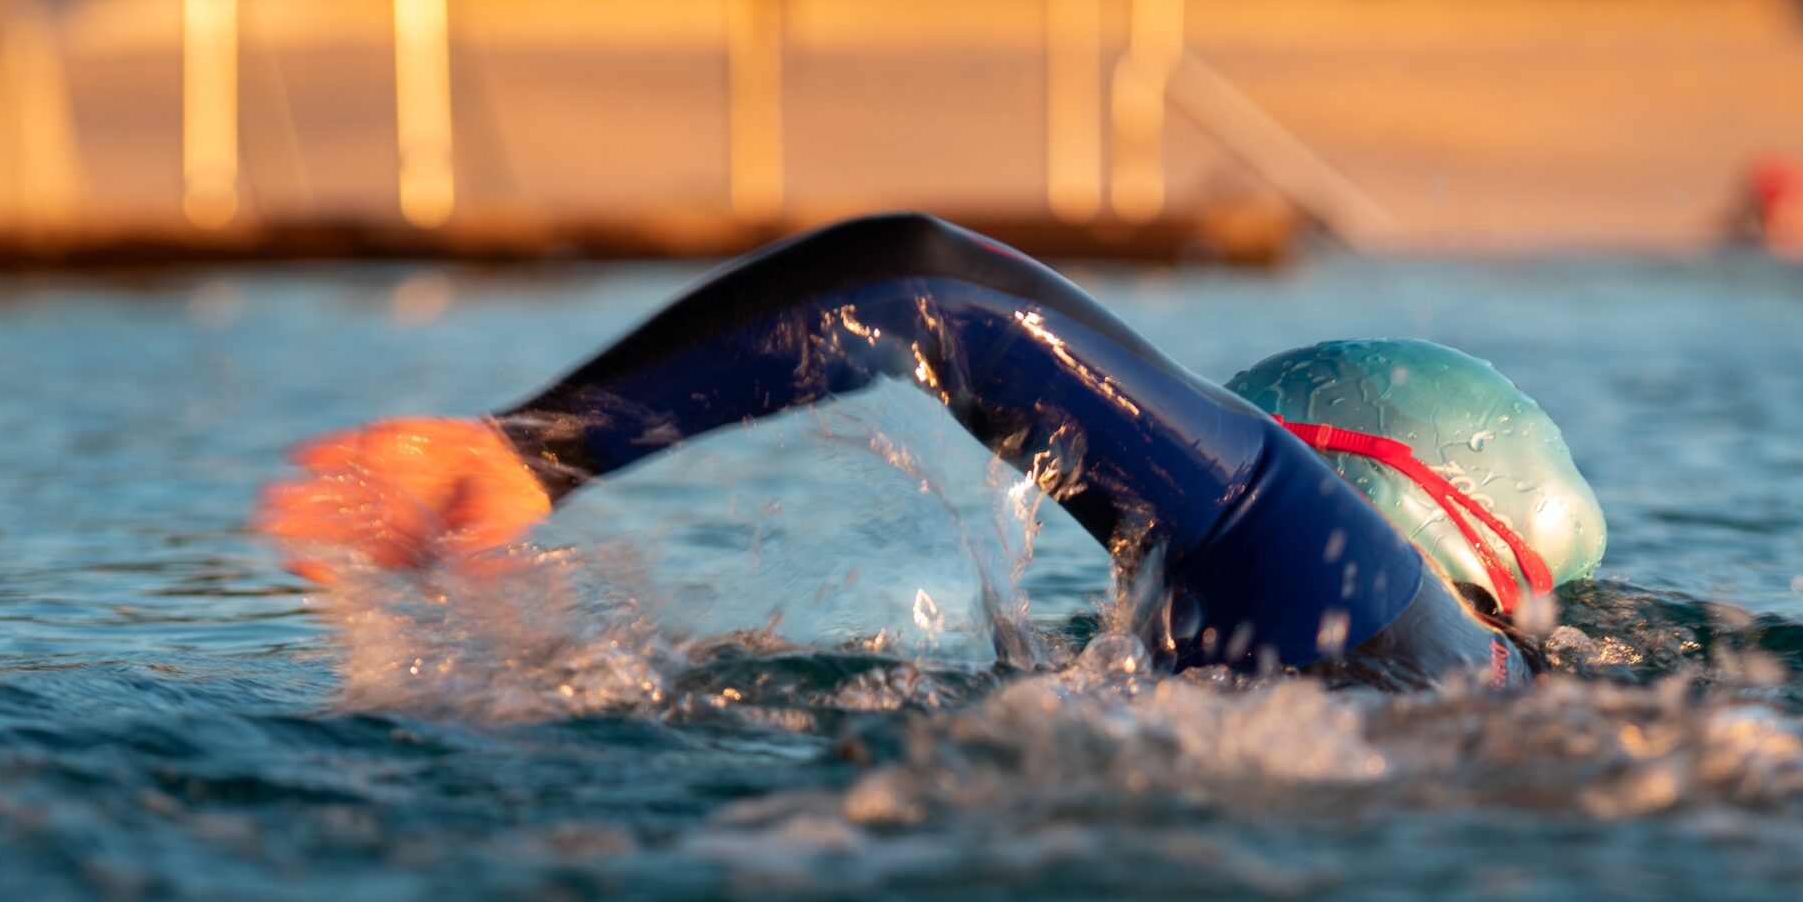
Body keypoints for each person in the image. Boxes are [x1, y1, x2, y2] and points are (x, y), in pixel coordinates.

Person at [259, 213, 1606, 690]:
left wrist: (544, 451)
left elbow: (935, 290)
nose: (1133, 577)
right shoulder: (1470, 698)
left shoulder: (1337, 580)